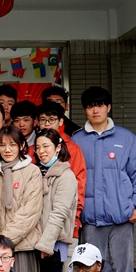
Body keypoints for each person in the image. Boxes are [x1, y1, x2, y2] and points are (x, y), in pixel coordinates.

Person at [71, 86, 136, 272]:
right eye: (90, 106)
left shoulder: (127, 139)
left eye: (100, 105)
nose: (95, 110)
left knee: (123, 269)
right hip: (90, 218)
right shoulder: (77, 140)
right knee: (89, 268)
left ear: (108, 107)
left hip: (122, 217)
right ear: (85, 110)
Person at [32, 129, 78, 272]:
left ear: (58, 148)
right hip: (37, 239)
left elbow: (59, 213)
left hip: (54, 241)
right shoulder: (38, 172)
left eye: (46, 146)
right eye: (38, 147)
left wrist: (46, 244)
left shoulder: (65, 175)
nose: (41, 151)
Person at [0, 126, 43, 272]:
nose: (7, 150)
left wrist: (5, 239)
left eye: (12, 145)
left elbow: (30, 211)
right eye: (2, 145)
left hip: (23, 245)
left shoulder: (32, 171)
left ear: (21, 145)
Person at [37, 101, 86, 239]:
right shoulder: (34, 149)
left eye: (51, 119)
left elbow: (79, 185)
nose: (47, 124)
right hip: (37, 223)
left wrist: (75, 216)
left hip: (65, 220)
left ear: (61, 121)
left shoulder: (72, 149)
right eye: (43, 120)